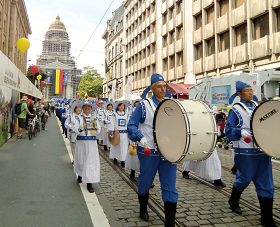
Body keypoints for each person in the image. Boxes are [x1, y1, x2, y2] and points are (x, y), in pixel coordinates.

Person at [128, 74, 178, 226]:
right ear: (152, 88)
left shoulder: (171, 105)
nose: (163, 89)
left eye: (164, 86)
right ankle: (143, 208)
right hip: (149, 152)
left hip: (168, 153)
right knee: (145, 182)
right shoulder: (144, 105)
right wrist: (140, 137)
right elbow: (131, 125)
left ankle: (169, 222)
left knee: (170, 186)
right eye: (159, 86)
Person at [225, 81, 277, 227]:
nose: (250, 93)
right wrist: (240, 132)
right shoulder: (235, 109)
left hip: (262, 150)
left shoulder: (258, 107)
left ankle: (266, 218)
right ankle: (233, 200)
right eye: (247, 91)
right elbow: (228, 131)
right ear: (239, 93)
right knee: (244, 178)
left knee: (266, 184)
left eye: (251, 90)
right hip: (245, 151)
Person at [73, 101, 100, 193]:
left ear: (91, 109)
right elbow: (76, 129)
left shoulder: (94, 118)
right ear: (83, 108)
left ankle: (89, 183)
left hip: (92, 142)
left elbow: (99, 130)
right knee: (81, 159)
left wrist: (95, 130)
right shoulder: (79, 117)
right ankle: (80, 175)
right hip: (82, 142)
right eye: (85, 108)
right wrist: (81, 127)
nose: (87, 109)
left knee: (90, 161)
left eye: (89, 108)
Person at [109, 101, 129, 168]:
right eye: (120, 106)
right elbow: (112, 123)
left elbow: (128, 123)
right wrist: (112, 130)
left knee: (124, 147)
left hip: (124, 133)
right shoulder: (114, 114)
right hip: (117, 133)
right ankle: (115, 157)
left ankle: (123, 160)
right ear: (118, 106)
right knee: (116, 146)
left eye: (123, 106)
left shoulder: (126, 114)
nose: (122, 107)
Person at [126, 100, 140, 180]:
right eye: (136, 105)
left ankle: (144, 176)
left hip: (144, 139)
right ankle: (133, 171)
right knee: (134, 156)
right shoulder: (131, 116)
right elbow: (129, 127)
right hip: (134, 138)